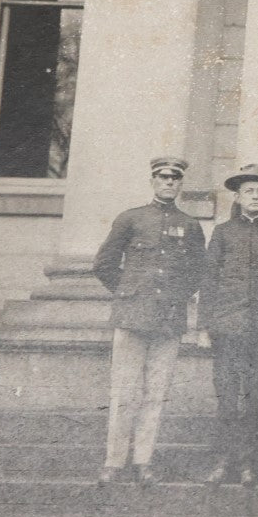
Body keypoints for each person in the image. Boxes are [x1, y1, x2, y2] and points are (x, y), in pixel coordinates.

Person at [92, 157, 206, 486]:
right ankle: (114, 461)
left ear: (181, 184)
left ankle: (144, 460)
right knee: (124, 392)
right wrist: (128, 292)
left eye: (175, 178)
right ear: (153, 180)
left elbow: (198, 271)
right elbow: (104, 263)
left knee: (156, 394)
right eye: (163, 177)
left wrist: (175, 296)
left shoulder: (191, 225)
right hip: (131, 316)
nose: (169, 183)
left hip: (168, 320)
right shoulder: (130, 219)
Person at [199, 169, 258, 488]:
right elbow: (209, 281)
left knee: (256, 398)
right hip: (227, 328)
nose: (254, 196)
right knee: (227, 398)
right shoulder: (223, 233)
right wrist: (204, 326)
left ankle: (249, 463)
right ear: (238, 197)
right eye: (248, 191)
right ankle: (223, 460)